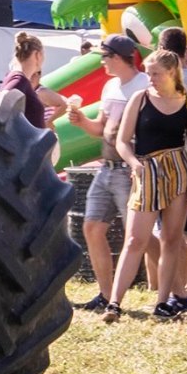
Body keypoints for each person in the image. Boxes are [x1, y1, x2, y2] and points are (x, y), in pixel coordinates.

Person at [107, 48, 187, 320]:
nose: (151, 79)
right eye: (148, 73)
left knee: (171, 239)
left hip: (177, 169)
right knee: (135, 239)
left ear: (171, 72)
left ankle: (163, 301)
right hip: (146, 170)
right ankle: (114, 303)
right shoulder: (141, 98)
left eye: (156, 73)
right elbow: (122, 141)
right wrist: (134, 163)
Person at [69, 35, 151, 311]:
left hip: (130, 169)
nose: (101, 62)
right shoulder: (110, 86)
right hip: (107, 169)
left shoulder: (144, 85)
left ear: (117, 57)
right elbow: (101, 129)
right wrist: (82, 121)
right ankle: (106, 295)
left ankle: (175, 290)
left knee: (141, 237)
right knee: (92, 228)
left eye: (104, 56)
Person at [158, 26, 187, 308]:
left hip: (167, 163)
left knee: (170, 234)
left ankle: (180, 289)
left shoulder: (161, 79)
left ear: (161, 48)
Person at [0, 32, 69, 128]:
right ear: (37, 55)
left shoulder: (18, 79)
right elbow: (2, 106)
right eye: (43, 54)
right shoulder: (19, 79)